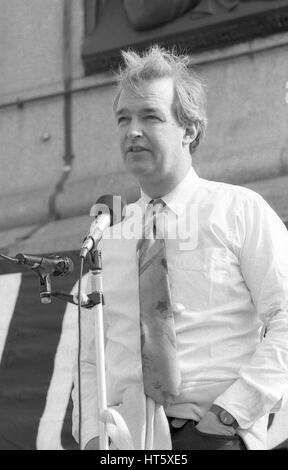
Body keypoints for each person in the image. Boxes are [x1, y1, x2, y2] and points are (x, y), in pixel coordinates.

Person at [72, 45, 288, 450]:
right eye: (123, 119)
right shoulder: (107, 236)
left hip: (214, 433)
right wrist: (90, 439)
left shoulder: (238, 210)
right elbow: (88, 359)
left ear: (189, 129)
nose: (132, 131)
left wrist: (230, 414)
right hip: (128, 441)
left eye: (150, 116)